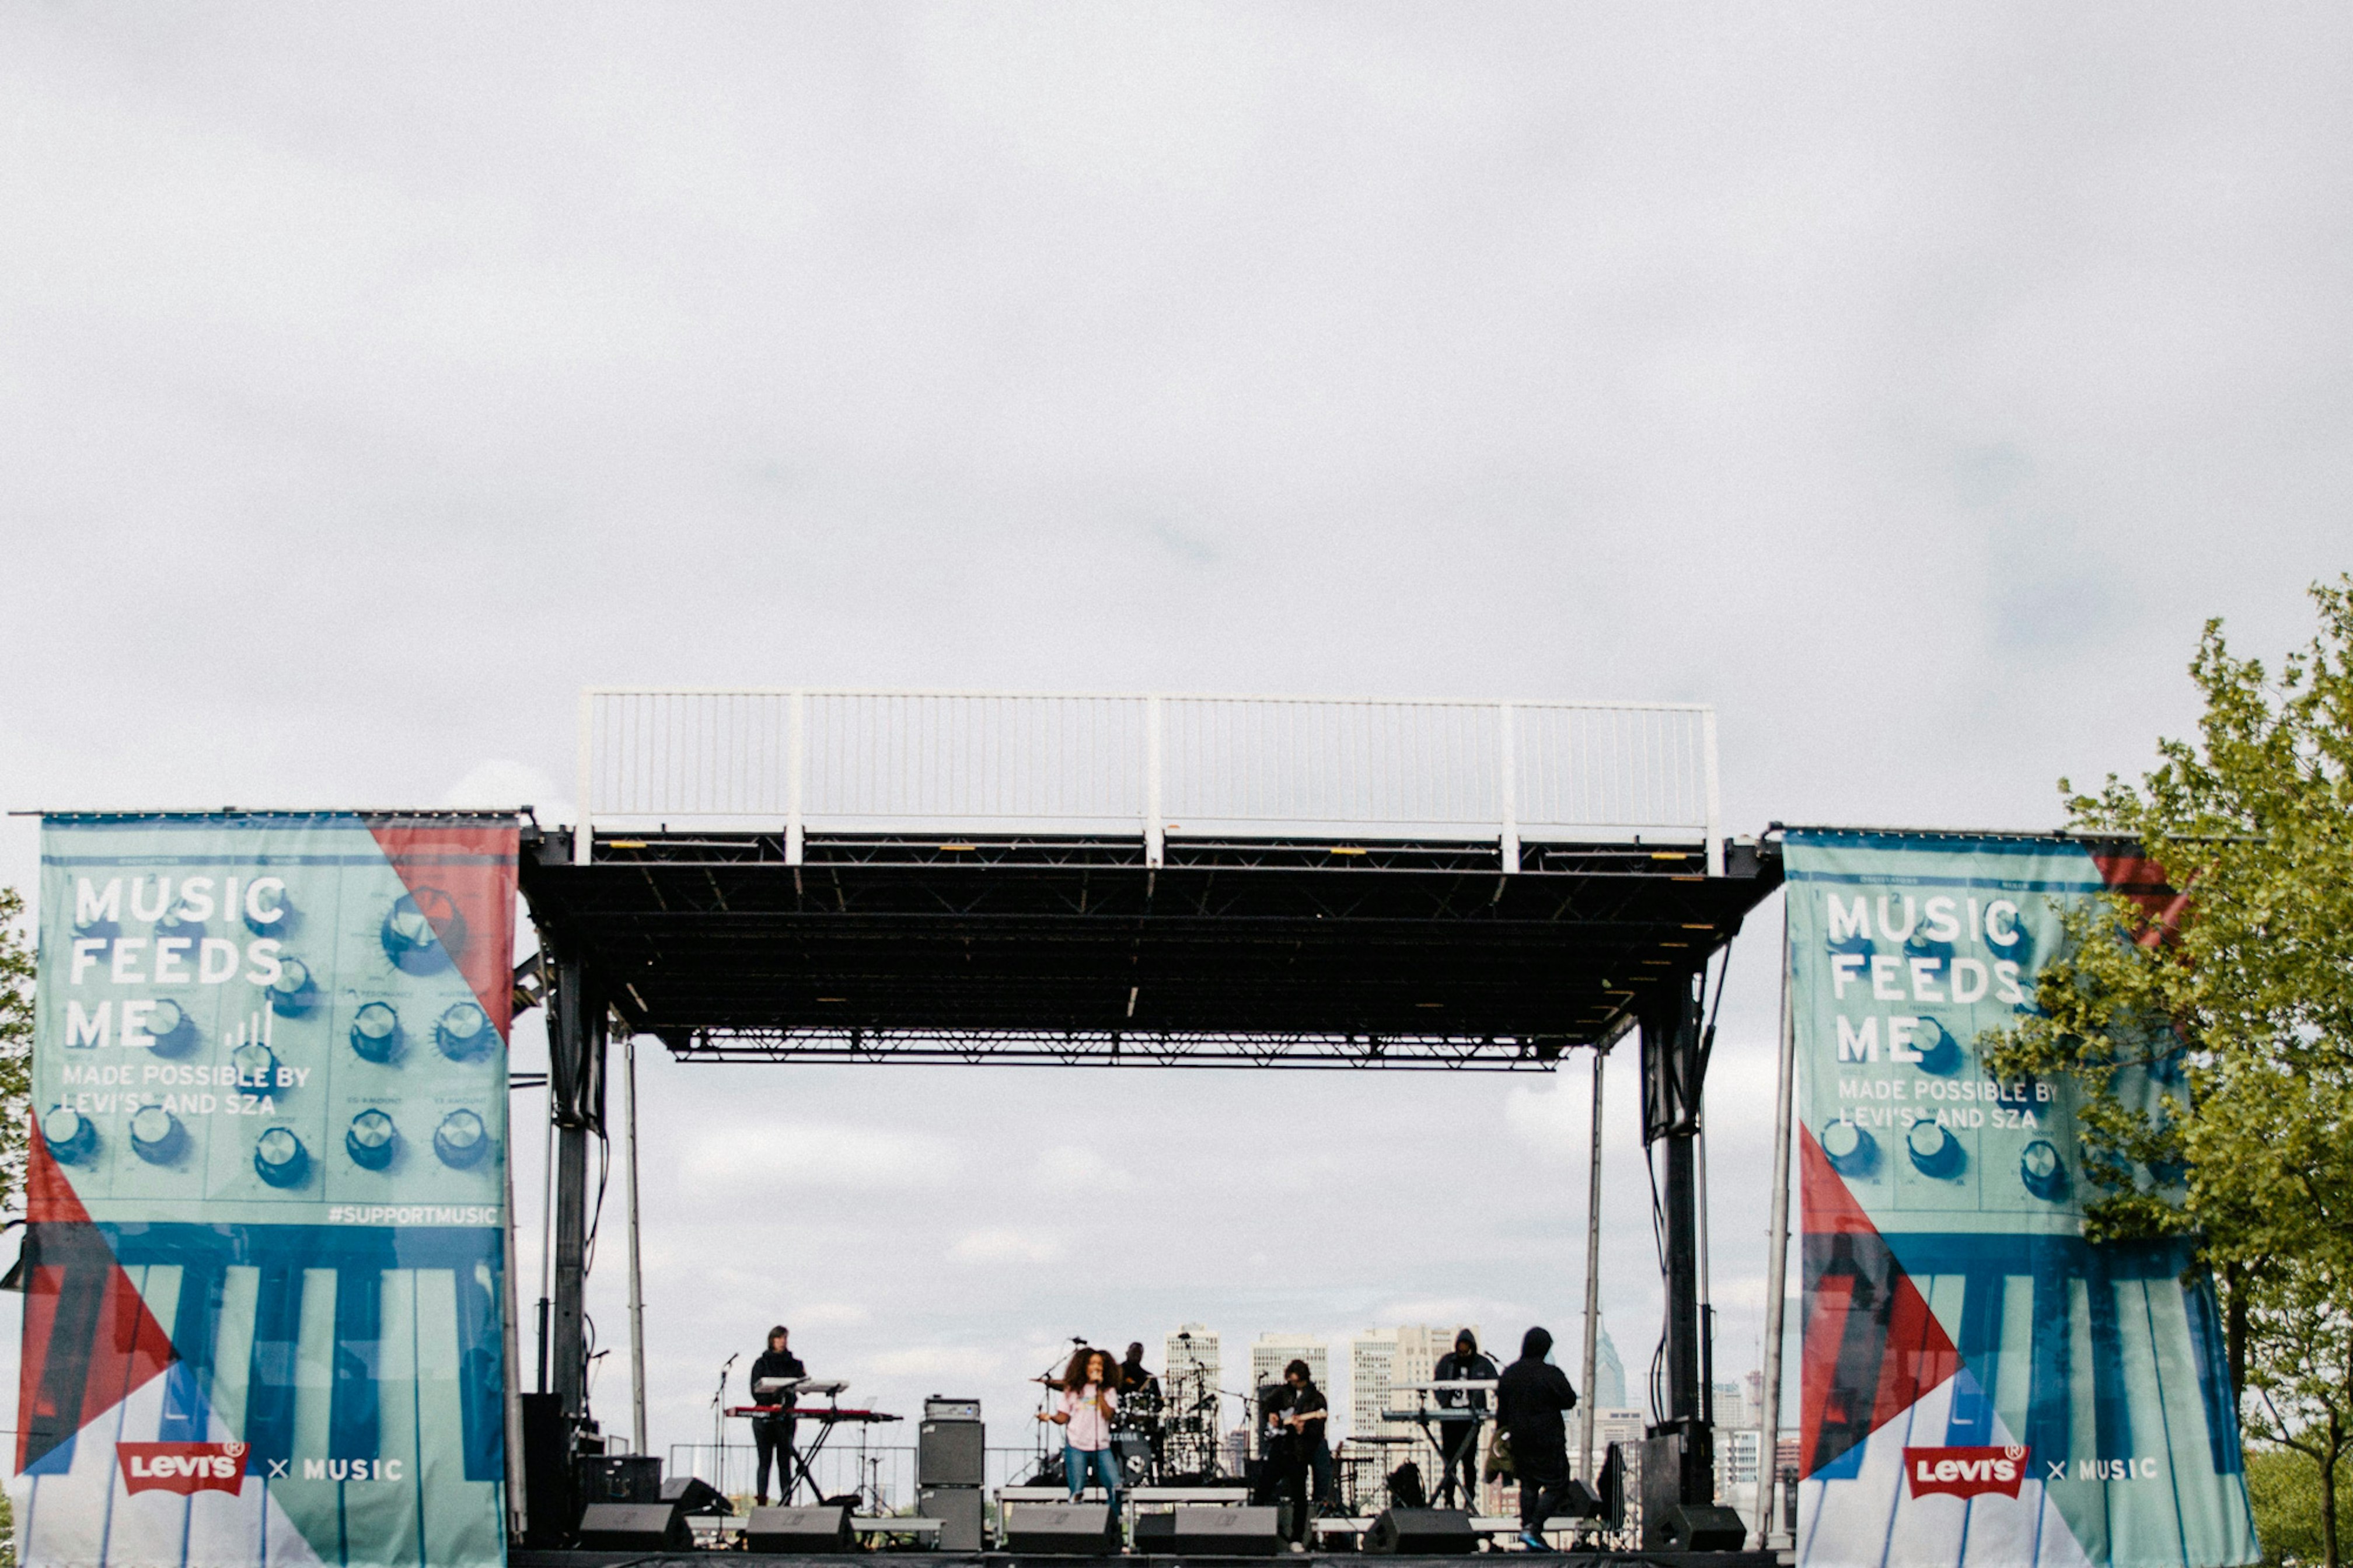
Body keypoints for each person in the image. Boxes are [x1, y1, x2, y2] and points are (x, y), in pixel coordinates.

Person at [1495, 1326, 1579, 1552]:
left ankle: (1527, 1529)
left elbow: (1501, 1410)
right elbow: (1569, 1400)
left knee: (1528, 1485)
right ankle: (1534, 1528)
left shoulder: (1510, 1373)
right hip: (1548, 1438)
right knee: (1558, 1484)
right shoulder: (1550, 1373)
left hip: (1520, 1439)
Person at [1040, 1346, 1123, 1511]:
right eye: (1092, 1363)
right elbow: (1063, 1417)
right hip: (1077, 1446)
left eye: (1099, 1364)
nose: (1096, 1367)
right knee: (1077, 1492)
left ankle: (1112, 1526)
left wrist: (1099, 1392)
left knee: (1116, 1488)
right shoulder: (1073, 1390)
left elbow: (1109, 1415)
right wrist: (1050, 1417)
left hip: (1101, 1447)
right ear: (1084, 1366)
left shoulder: (1108, 1390)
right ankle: (1079, 1530)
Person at [1264, 1359, 1332, 1551]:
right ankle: (1257, 1532)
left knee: (1299, 1496)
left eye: (1296, 1382)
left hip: (1299, 1453)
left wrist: (1303, 1430)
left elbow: (1318, 1430)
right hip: (1280, 1448)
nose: (1292, 1385)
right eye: (1290, 1381)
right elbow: (1267, 1405)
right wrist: (1270, 1414)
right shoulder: (1283, 1392)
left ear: (1304, 1380)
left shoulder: (1316, 1399)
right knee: (1263, 1488)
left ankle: (1297, 1538)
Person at [1432, 1328, 1500, 1508]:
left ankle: (1469, 1499)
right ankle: (1449, 1499)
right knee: (1450, 1461)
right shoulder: (1448, 1362)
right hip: (1450, 1419)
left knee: (1469, 1461)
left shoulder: (1482, 1363)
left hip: (1471, 1419)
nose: (1463, 1354)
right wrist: (1444, 1404)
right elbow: (1436, 1384)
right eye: (1460, 1350)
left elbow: (1496, 1383)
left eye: (1466, 1350)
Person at [749, 1325, 806, 1506]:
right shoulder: (761, 1363)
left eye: (785, 1338)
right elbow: (755, 1391)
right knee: (764, 1461)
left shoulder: (794, 1364)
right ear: (772, 1340)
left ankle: (786, 1500)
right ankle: (762, 1501)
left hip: (786, 1418)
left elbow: (803, 1386)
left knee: (785, 1462)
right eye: (779, 1338)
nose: (783, 1342)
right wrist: (769, 1403)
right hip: (764, 1419)